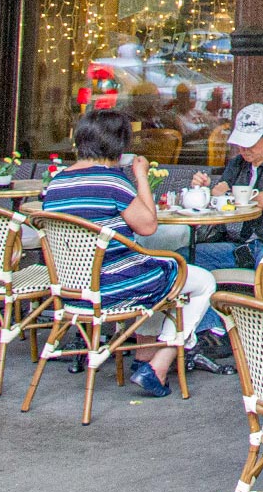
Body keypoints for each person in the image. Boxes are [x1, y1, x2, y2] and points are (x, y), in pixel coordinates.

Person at [40, 107, 217, 398]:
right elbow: (148, 225)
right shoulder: (111, 181)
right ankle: (158, 366)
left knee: (155, 275)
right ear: (118, 144)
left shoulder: (57, 183)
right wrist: (141, 176)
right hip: (113, 287)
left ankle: (143, 355)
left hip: (71, 289)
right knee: (199, 281)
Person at [187, 103, 263, 272]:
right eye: (240, 142)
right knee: (183, 258)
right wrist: (203, 189)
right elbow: (218, 192)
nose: (244, 149)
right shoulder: (238, 162)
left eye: (250, 142)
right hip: (244, 245)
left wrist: (234, 194)